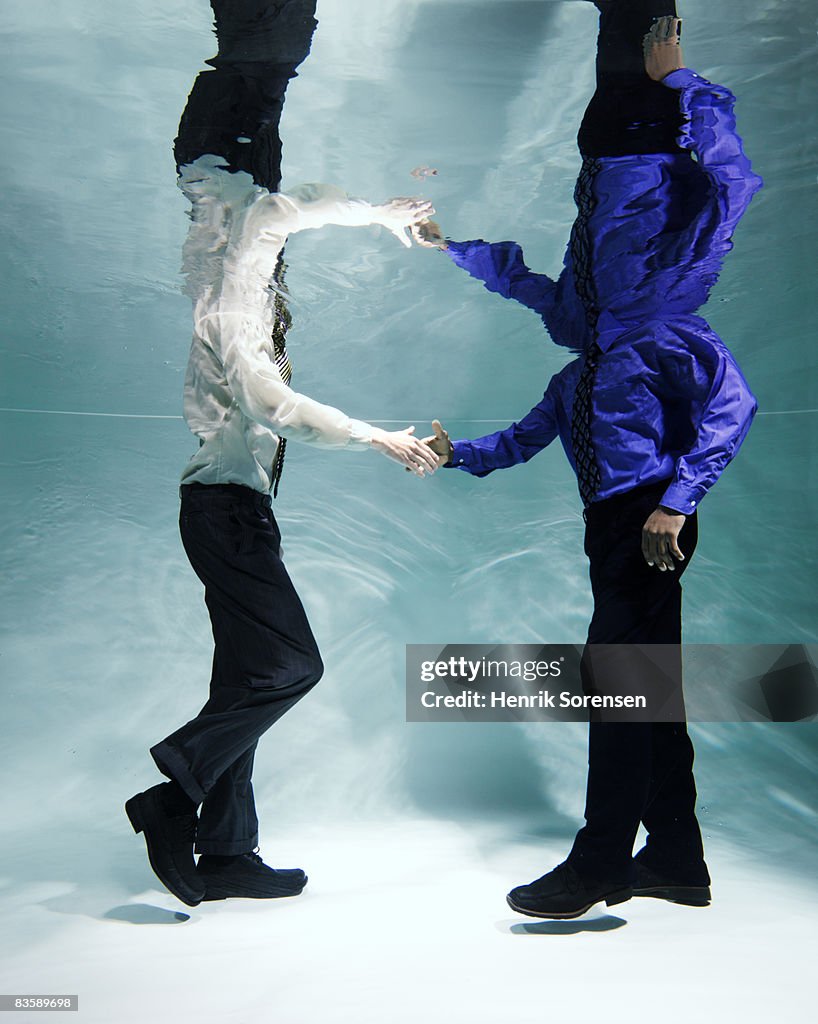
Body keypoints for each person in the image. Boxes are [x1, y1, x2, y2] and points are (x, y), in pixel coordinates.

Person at [417, 1, 762, 919]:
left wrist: (677, 502)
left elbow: (734, 404)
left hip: (649, 519)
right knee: (650, 689)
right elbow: (518, 434)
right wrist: (451, 455)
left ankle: (603, 856)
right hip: (620, 522)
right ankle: (677, 862)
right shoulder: (586, 365)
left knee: (616, 683)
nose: (573, 303)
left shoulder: (660, 328)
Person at [125, 0, 438, 908]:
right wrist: (378, 436)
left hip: (229, 512)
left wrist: (371, 215)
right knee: (286, 669)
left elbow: (278, 217)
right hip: (225, 518)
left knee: (244, 674)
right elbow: (276, 404)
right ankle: (171, 788)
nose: (281, 250)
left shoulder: (242, 264)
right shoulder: (233, 296)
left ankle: (226, 853)